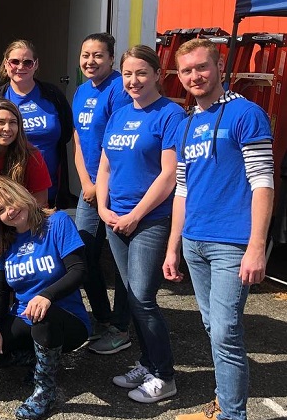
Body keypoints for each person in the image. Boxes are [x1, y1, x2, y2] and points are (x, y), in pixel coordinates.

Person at [163, 39, 274, 420]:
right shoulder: (187, 122)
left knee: (225, 332)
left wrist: (257, 246)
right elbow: (182, 188)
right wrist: (173, 246)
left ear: (219, 66)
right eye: (187, 70)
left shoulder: (247, 114)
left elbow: (263, 182)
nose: (195, 76)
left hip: (233, 244)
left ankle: (232, 414)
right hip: (194, 242)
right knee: (215, 329)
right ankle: (223, 402)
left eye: (201, 67)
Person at [95, 45, 185, 403]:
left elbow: (169, 174)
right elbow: (104, 167)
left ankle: (165, 376)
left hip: (149, 221)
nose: (134, 80)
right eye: (128, 74)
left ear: (157, 74)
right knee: (132, 298)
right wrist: (103, 208)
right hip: (115, 218)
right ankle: (148, 364)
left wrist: (135, 215)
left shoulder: (170, 114)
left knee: (144, 298)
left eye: (141, 73)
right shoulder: (118, 114)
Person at [0, 176, 89, 420]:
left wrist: (47, 295)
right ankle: (42, 360)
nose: (10, 210)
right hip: (25, 316)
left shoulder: (56, 222)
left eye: (11, 201)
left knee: (43, 317)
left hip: (66, 320)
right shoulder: (1, 242)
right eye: (1, 210)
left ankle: (45, 390)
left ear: (23, 194)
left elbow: (78, 270)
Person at [71, 32, 132, 354]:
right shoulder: (81, 91)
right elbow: (79, 140)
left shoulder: (119, 89)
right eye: (85, 55)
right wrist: (86, 183)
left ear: (111, 59)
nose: (90, 61)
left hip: (118, 188)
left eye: (97, 55)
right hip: (91, 189)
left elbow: (117, 143)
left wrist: (101, 188)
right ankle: (103, 318)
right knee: (83, 256)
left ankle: (121, 327)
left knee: (121, 259)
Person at [0, 40, 74, 209]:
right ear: (6, 64)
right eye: (15, 61)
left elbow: (67, 132)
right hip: (9, 192)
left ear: (35, 65)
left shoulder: (53, 95)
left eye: (27, 62)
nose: (20, 66)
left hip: (49, 189)